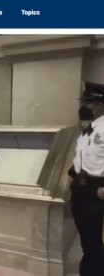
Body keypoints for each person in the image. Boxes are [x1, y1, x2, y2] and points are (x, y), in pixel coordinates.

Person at [69, 81, 104, 275]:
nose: (84, 107)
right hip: (81, 190)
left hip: (97, 193)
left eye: (88, 102)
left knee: (94, 242)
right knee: (88, 239)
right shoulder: (90, 127)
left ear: (100, 104)